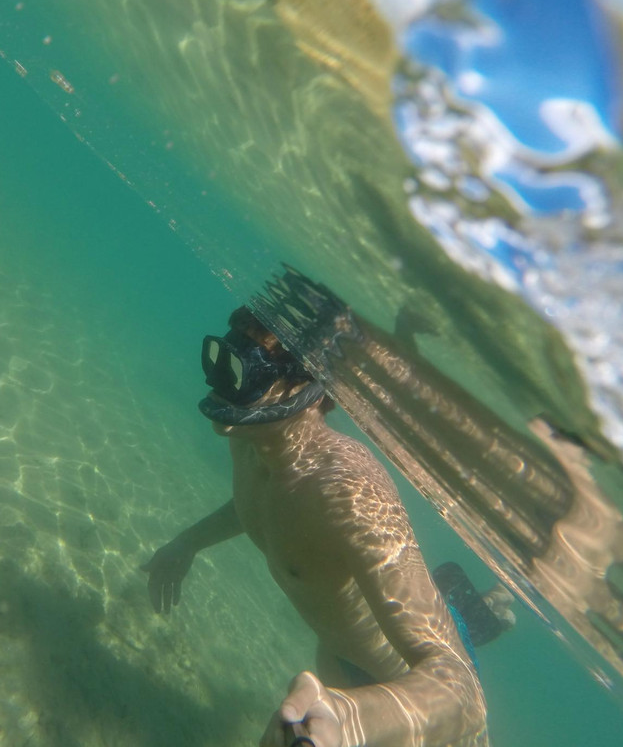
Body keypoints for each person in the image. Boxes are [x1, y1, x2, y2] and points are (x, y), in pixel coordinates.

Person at [142, 307, 512, 747]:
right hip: (339, 662)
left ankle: (484, 608)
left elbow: (463, 695)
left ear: (311, 392)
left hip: (414, 697)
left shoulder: (350, 492)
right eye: (221, 360)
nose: (222, 385)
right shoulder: (251, 441)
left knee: (451, 622)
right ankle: (468, 604)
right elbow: (261, 508)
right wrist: (186, 544)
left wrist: (346, 717)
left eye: (244, 373)